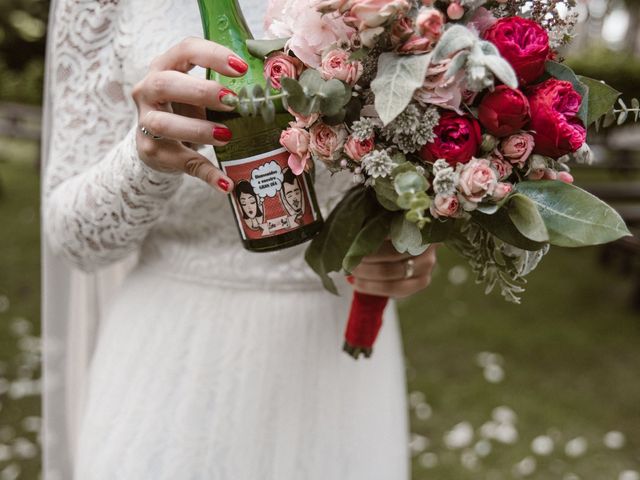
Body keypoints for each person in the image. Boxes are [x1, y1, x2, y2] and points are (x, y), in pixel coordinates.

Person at [41, 0, 439, 479]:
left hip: (336, 362)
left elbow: (431, 145)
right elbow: (75, 242)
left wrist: (413, 230)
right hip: (174, 359)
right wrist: (143, 159)